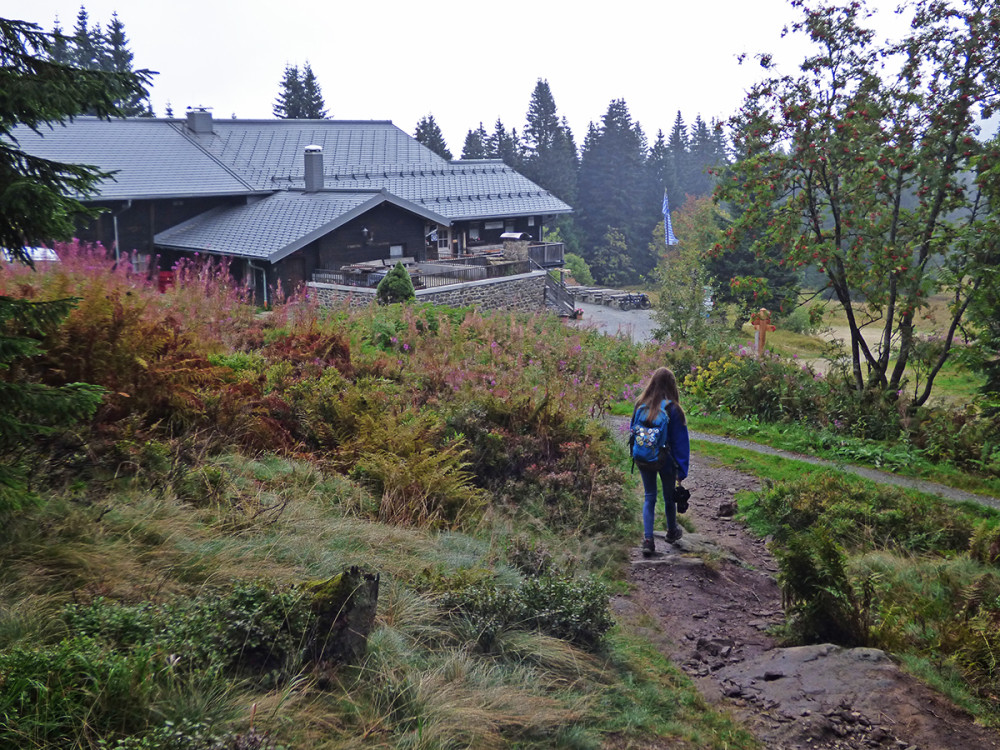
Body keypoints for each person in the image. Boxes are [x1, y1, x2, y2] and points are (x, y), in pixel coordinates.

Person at [630, 367, 690, 557]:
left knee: (649, 496)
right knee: (668, 497)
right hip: (666, 460)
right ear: (672, 385)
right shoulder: (673, 409)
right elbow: (681, 443)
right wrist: (681, 470)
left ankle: (648, 540)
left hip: (643, 457)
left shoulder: (640, 404)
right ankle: (672, 531)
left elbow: (633, 430)